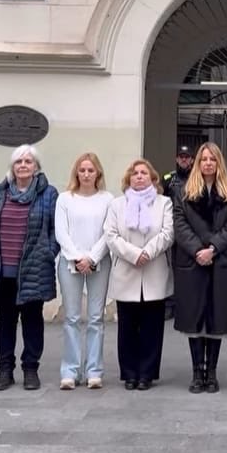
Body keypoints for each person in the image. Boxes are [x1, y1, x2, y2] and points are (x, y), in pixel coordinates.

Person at [0, 145, 59, 391]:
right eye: (18, 162)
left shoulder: (48, 194)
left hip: (34, 269)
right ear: (12, 167)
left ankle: (31, 368)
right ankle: (5, 370)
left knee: (33, 320)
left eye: (28, 161)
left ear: (36, 167)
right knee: (5, 320)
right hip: (3, 272)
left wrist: (49, 252)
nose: (23, 165)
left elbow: (56, 229)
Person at [172, 142, 227, 393]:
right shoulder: (183, 192)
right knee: (194, 319)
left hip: (220, 262)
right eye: (204, 159)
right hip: (192, 263)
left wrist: (212, 248)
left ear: (219, 162)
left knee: (216, 319)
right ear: (197, 163)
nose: (208, 163)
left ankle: (211, 373)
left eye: (213, 159)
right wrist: (197, 251)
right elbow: (180, 226)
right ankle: (196, 372)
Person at [105, 158, 173, 390]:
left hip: (154, 270)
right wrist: (134, 254)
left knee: (152, 328)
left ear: (153, 178)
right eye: (134, 173)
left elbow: (167, 233)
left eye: (144, 172)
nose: (139, 176)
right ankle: (130, 373)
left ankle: (147, 374)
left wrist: (148, 252)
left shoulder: (164, 203)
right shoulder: (117, 205)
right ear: (128, 179)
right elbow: (111, 236)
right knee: (127, 328)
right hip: (127, 270)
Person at [54, 152, 114, 390]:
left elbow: (108, 232)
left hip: (99, 262)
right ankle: (69, 370)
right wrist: (78, 257)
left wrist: (92, 257)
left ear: (98, 172)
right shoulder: (65, 199)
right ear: (76, 172)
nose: (86, 174)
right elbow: (61, 232)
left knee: (96, 318)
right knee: (71, 317)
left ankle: (94, 371)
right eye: (82, 170)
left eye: (91, 170)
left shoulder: (108, 199)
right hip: (70, 263)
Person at [162, 145, 194, 321]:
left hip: (190, 230)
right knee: (169, 268)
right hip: (171, 229)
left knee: (186, 268)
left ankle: (184, 304)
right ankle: (169, 303)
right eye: (181, 156)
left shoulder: (197, 177)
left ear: (191, 159)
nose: (184, 159)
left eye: (187, 157)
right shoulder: (169, 179)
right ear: (176, 159)